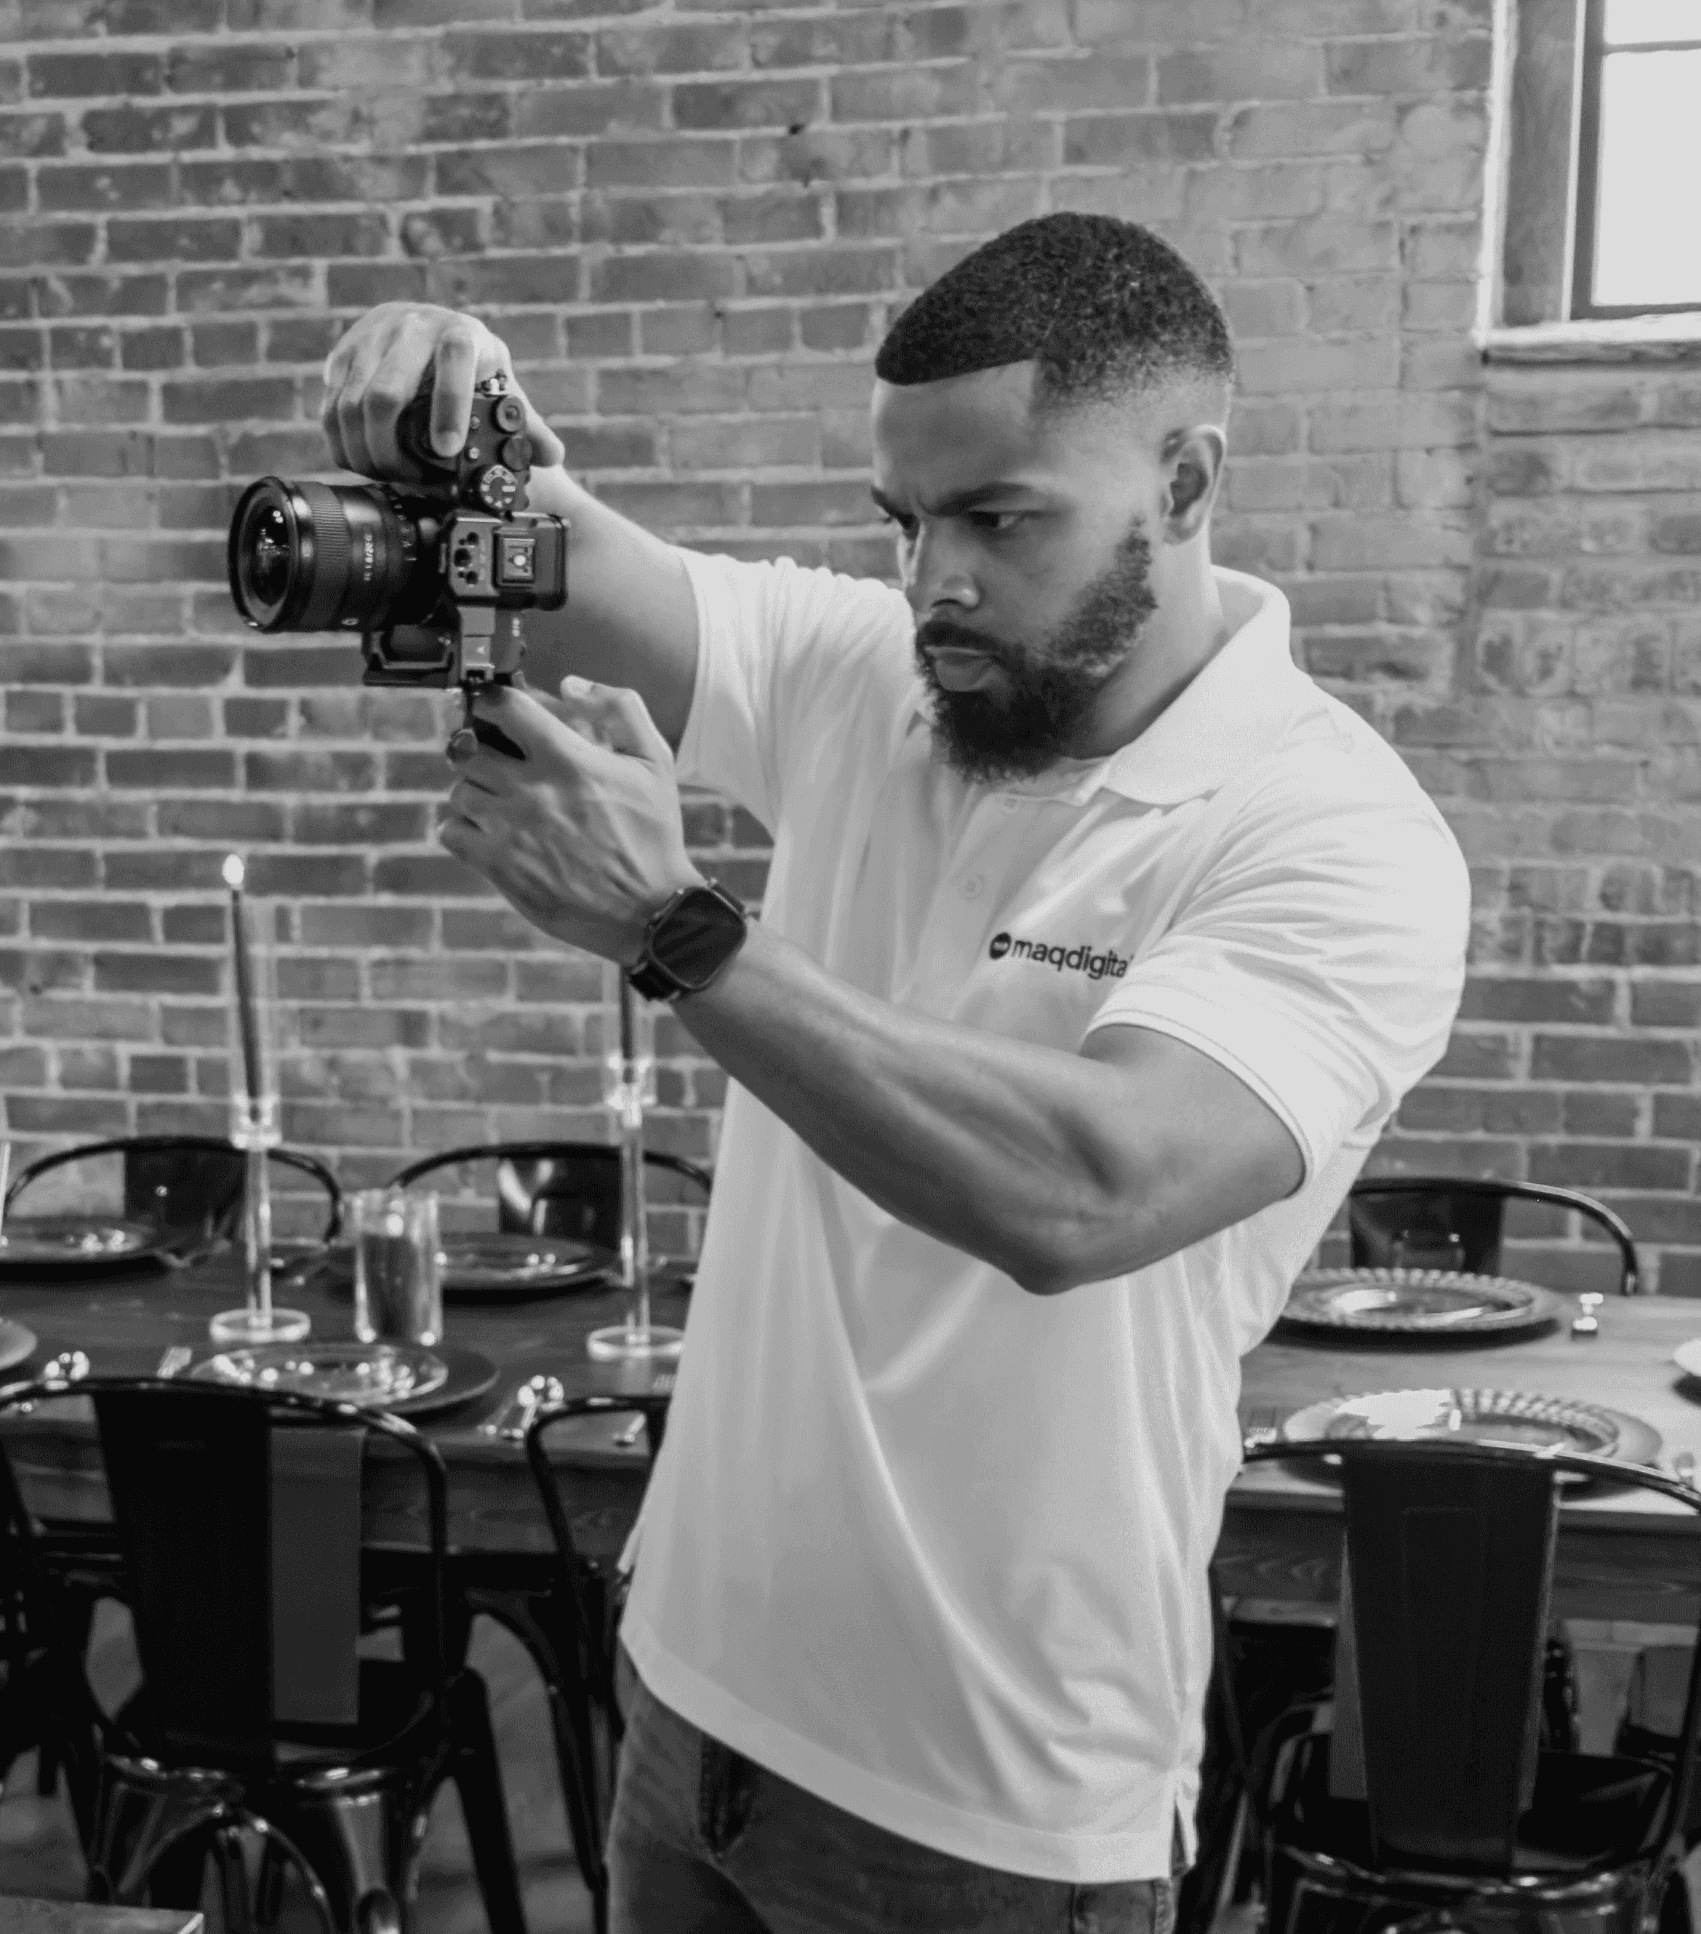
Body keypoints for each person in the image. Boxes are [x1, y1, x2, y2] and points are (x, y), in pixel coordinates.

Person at [322, 213, 1471, 1933]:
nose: (935, 577)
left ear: (1186, 477)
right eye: (906, 519)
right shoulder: (881, 677)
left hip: (988, 1802)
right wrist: (450, 387)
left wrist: (680, 928)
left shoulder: (1331, 830)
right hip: (695, 1700)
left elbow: (1088, 1190)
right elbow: (546, 547)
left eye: (1003, 517)